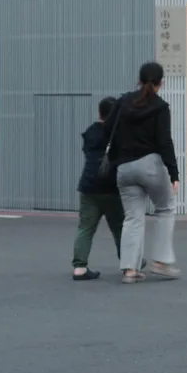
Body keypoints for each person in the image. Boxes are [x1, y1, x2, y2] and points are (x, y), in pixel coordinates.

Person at [106, 62, 180, 284]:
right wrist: (174, 174)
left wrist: (117, 156)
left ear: (139, 80)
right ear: (161, 83)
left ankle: (130, 269)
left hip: (124, 167)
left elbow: (107, 129)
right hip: (150, 165)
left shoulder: (122, 102)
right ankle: (161, 261)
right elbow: (165, 142)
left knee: (133, 217)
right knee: (165, 208)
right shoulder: (160, 107)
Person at [72, 97, 125, 281]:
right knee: (119, 227)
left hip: (88, 186)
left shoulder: (90, 132)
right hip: (111, 187)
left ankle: (79, 267)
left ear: (99, 113)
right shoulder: (118, 134)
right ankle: (129, 263)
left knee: (85, 228)